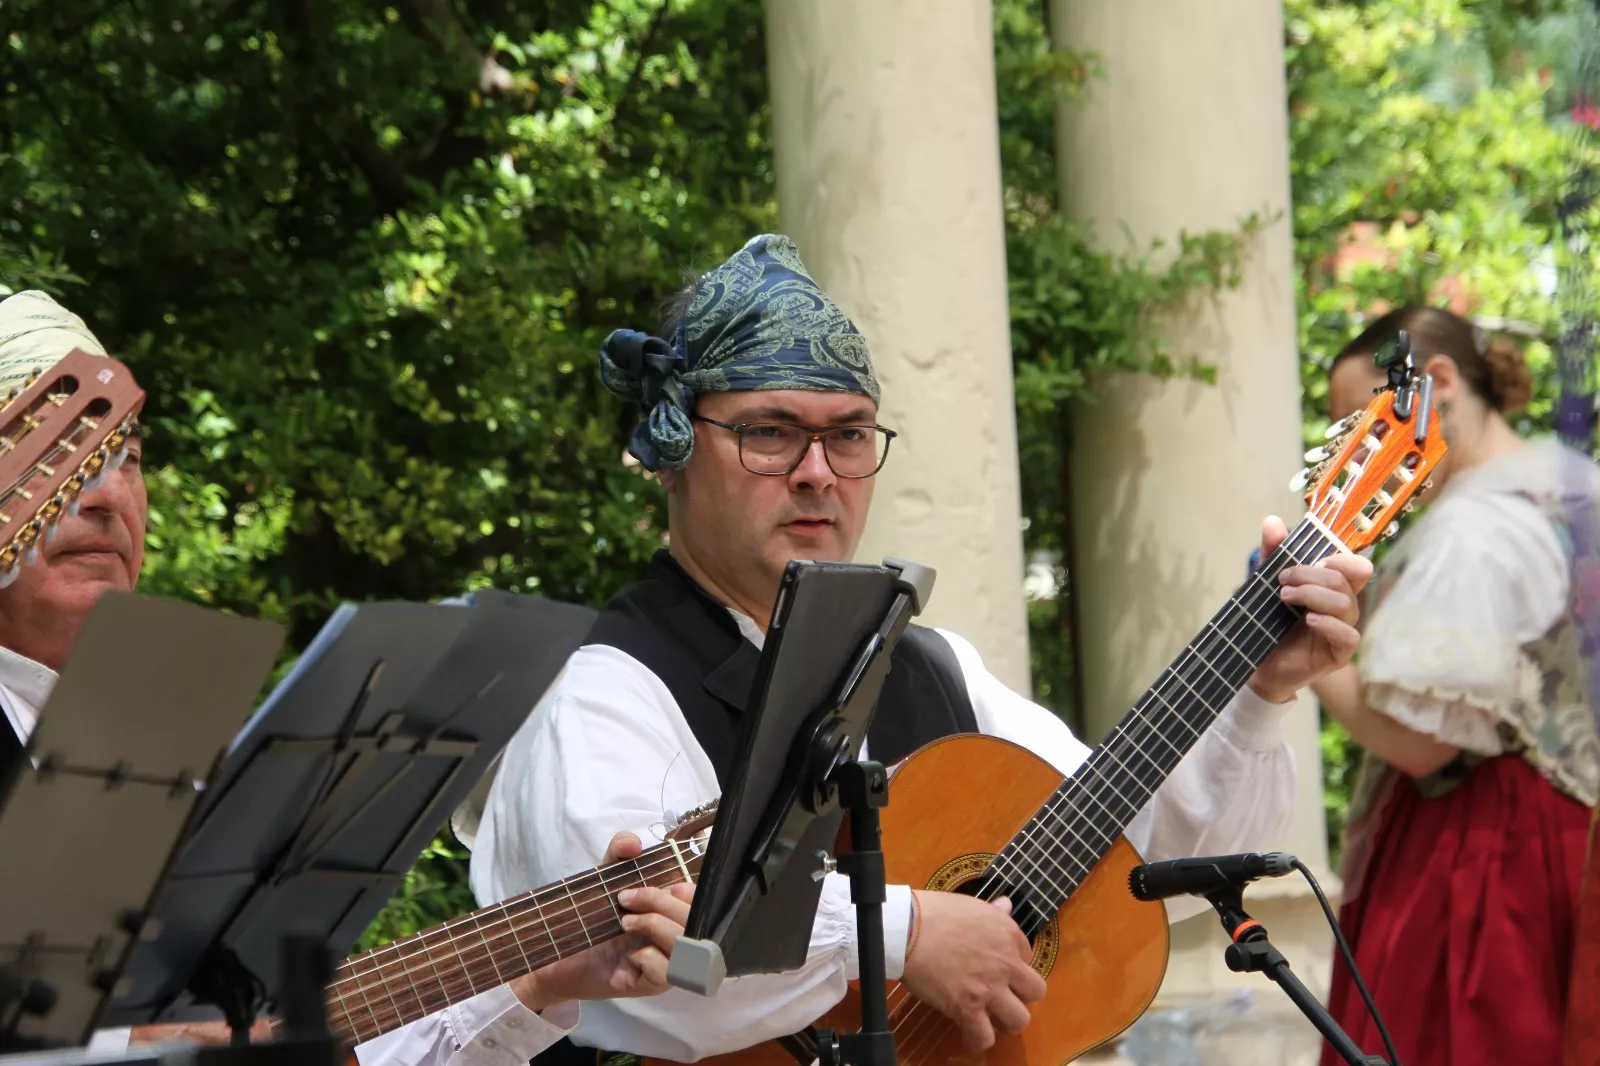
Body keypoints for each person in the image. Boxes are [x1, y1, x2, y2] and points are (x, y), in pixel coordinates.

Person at [455, 233, 1370, 1065]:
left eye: (849, 434)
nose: (819, 473)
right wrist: (908, 934)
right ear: (672, 447)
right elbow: (648, 956)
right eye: (770, 432)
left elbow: (1140, 853)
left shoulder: (932, 667)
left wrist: (1257, 692)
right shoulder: (603, 690)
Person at [0, 291, 695, 1066]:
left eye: (124, 456)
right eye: (50, 454)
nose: (103, 494)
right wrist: (142, 1046)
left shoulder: (168, 746)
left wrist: (536, 978)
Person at [1313, 306, 1600, 1066]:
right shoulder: (1577, 487)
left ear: (1436, 382)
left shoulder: (1472, 531)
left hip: (1483, 855)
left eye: (1364, 422)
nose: (1358, 453)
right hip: (1572, 838)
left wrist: (1313, 656)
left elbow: (1424, 744)